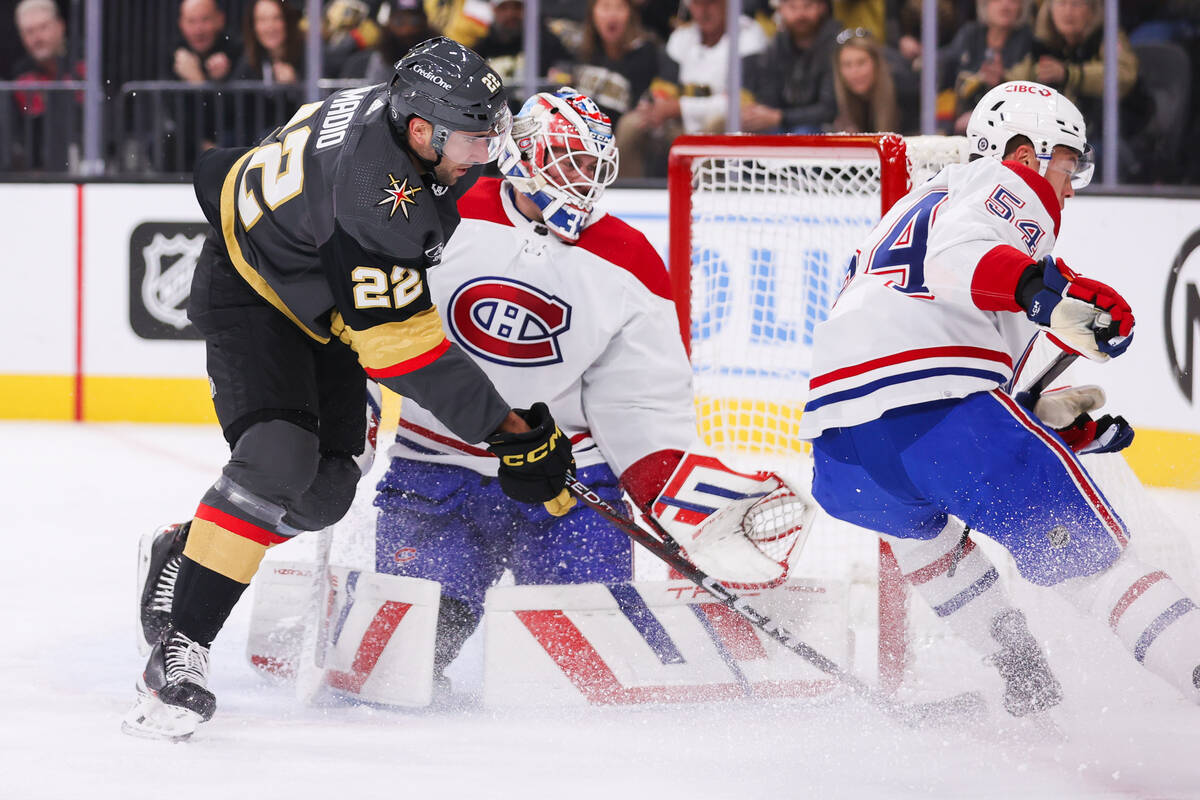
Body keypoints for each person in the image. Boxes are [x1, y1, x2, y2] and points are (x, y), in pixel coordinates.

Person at [122, 37, 575, 741]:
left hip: (318, 292)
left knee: (327, 492)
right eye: (474, 140)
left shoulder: (399, 121)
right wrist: (508, 431)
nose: (486, 154)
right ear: (420, 131)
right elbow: (403, 354)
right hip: (253, 290)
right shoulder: (376, 198)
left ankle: (189, 546)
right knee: (276, 462)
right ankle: (179, 653)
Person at [798, 80, 1200, 714]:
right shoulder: (1001, 183)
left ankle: (1021, 673)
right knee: (1093, 568)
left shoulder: (907, 212)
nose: (1070, 185)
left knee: (923, 539)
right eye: (1067, 162)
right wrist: (1039, 290)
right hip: (938, 419)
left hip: (841, 453)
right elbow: (964, 260)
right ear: (1024, 152)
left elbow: (933, 338)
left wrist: (1042, 424)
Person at [373, 87, 699, 691]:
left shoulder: (630, 258)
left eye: (593, 166)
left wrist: (673, 493)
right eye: (569, 161)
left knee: (596, 679)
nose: (583, 181)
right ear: (524, 153)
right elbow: (372, 321)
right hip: (435, 470)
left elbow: (643, 399)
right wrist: (349, 422)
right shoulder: (438, 209)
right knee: (403, 670)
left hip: (564, 481)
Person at [615, 0, 767, 176]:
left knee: (714, 127)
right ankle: (628, 190)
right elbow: (664, 87)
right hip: (680, 126)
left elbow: (743, 102)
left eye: (710, 4)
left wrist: (680, 107)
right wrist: (656, 105)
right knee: (631, 124)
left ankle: (705, 192)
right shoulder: (682, 36)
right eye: (697, 4)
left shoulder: (748, 36)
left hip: (729, 129)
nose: (703, 11)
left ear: (727, 4)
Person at [1007, 0, 1150, 179]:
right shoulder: (1043, 46)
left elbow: (1123, 75)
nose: (1068, 12)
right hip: (1058, 138)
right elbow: (1018, 78)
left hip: (1110, 136)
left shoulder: (1107, 37)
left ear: (1092, 11)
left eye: (1076, 4)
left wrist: (1069, 74)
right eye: (1062, 4)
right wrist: (997, 80)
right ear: (1050, 11)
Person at [568, 0, 672, 128]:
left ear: (630, 14)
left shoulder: (646, 53)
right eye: (606, 7)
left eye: (619, 7)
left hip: (620, 132)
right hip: (579, 130)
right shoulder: (584, 51)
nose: (613, 14)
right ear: (592, 13)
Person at [741, 0, 840, 134]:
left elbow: (829, 109)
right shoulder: (777, 44)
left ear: (821, 7)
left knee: (803, 132)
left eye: (808, 6)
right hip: (782, 122)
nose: (800, 14)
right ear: (781, 10)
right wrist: (757, 113)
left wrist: (781, 116)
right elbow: (768, 95)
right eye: (792, 7)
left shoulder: (836, 44)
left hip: (825, 127)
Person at [9, 0, 83, 171]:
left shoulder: (84, 64)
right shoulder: (20, 75)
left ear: (60, 26)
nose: (37, 38)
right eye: (29, 32)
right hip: (39, 170)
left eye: (43, 28)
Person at [942, 0, 1034, 135]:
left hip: (1009, 130)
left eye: (1013, 0)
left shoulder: (1030, 43)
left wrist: (1002, 81)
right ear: (985, 4)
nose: (1005, 4)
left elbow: (1029, 102)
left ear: (1022, 7)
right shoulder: (969, 34)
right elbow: (944, 72)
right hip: (958, 126)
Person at [829, 28, 909, 134]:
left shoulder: (905, 90)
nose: (854, 72)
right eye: (847, 65)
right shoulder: (832, 98)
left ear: (876, 64)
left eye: (861, 63)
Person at [341, 0, 436, 84]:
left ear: (425, 23)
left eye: (414, 21)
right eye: (399, 22)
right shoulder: (380, 57)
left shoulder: (436, 53)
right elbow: (377, 90)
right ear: (389, 22)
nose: (407, 29)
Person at [231, 0, 304, 85]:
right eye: (262, 20)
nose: (270, 26)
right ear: (253, 27)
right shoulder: (249, 60)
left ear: (287, 21)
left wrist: (295, 82)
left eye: (276, 18)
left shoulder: (308, 55)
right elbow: (234, 90)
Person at [169, 0, 237, 85]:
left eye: (205, 20)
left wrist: (197, 80)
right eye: (191, 21)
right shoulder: (172, 54)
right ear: (181, 24)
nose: (198, 31)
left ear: (220, 19)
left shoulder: (237, 51)